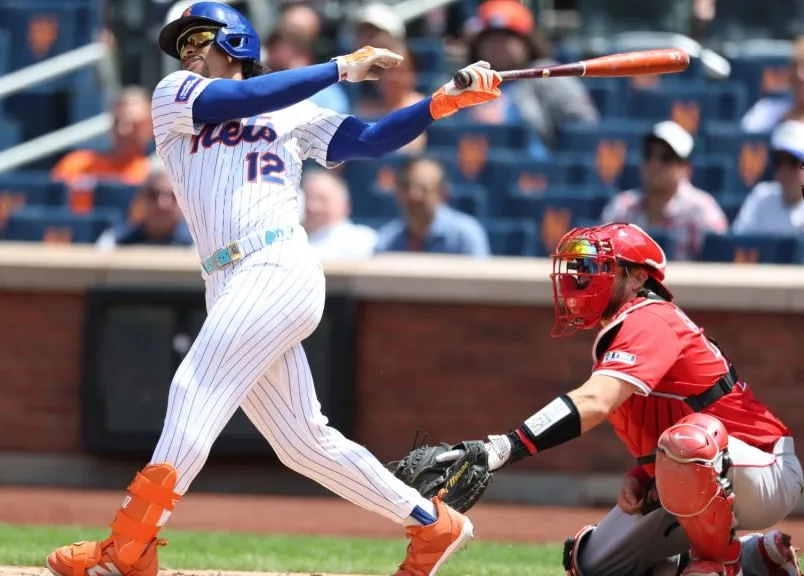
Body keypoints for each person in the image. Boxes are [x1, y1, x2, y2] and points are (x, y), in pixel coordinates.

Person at [43, 2, 504, 576]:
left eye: (200, 38)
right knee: (301, 441)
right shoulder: (174, 95)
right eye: (182, 42)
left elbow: (372, 138)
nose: (188, 50)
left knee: (193, 386)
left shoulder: (293, 109)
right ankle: (432, 524)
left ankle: (128, 547)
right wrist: (339, 68)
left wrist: (442, 102)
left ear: (236, 41)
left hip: (275, 263)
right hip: (227, 278)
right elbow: (239, 100)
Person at [403, 223, 802, 576]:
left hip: (764, 468)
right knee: (590, 563)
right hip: (707, 469)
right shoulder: (626, 328)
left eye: (599, 268)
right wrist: (640, 475)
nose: (580, 278)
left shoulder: (652, 317)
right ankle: (760, 558)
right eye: (581, 268)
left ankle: (722, 564)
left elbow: (595, 401)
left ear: (635, 277)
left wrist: (503, 447)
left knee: (687, 446)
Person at [460, 0, 598, 155]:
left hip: (537, 172)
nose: (497, 45)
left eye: (507, 36)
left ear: (527, 41)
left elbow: (584, 124)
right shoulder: (467, 80)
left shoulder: (547, 73)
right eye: (489, 37)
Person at [600, 121, 728, 261]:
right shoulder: (621, 207)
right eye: (649, 155)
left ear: (686, 167)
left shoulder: (702, 210)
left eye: (666, 157)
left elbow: (720, 266)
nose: (655, 164)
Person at [375, 156, 490, 257]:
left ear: (443, 194)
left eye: (423, 188)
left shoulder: (465, 235)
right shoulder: (387, 239)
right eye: (406, 186)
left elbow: (481, 280)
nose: (413, 195)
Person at [731, 120, 804, 235]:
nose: (785, 170)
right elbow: (739, 240)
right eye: (778, 161)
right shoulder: (761, 196)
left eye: (793, 162)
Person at [301, 169, 378, 259]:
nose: (312, 207)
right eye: (307, 198)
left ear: (346, 204)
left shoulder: (363, 239)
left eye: (322, 199)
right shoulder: (292, 241)